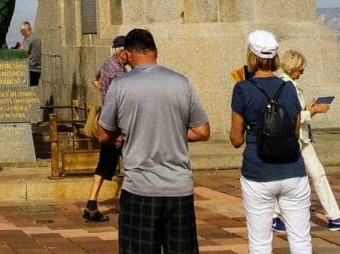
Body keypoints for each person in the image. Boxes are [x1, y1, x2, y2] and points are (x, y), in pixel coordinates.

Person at [97, 28, 210, 253]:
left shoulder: (121, 86)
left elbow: (102, 134)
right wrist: (173, 130)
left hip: (140, 188)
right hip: (178, 189)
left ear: (128, 55)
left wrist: (130, 131)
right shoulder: (181, 83)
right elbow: (202, 131)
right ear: (155, 52)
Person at [229, 29, 311, 253]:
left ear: (252, 56)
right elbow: (294, 131)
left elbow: (236, 139)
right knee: (301, 240)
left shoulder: (242, 89)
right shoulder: (288, 88)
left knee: (260, 243)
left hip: (258, 172)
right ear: (275, 58)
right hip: (293, 169)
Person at [269, 49, 340, 233]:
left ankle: (334, 217)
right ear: (293, 68)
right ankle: (276, 216)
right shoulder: (286, 86)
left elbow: (296, 113)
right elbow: (292, 117)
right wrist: (313, 111)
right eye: (300, 69)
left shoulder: (288, 84)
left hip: (302, 137)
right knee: (296, 176)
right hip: (296, 139)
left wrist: (308, 109)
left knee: (314, 175)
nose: (302, 72)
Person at [82, 34, 130, 222]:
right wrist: (119, 132)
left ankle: (91, 204)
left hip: (107, 123)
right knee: (132, 165)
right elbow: (120, 103)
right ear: (123, 52)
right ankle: (128, 203)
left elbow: (95, 78)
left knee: (103, 165)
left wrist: (102, 91)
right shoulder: (120, 73)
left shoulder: (107, 64)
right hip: (117, 126)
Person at [19, 20, 42, 86]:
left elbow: (24, 53)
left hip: (31, 69)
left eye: (21, 31)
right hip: (39, 69)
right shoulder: (37, 38)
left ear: (25, 30)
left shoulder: (27, 40)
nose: (21, 33)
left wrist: (20, 49)